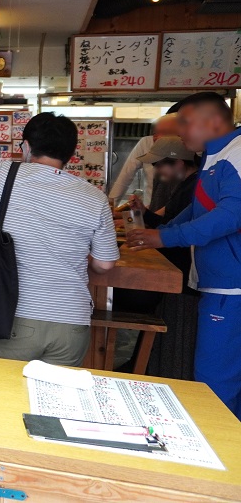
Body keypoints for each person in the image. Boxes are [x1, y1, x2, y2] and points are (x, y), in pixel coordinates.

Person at [0, 112, 119, 366]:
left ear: (26, 146)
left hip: (15, 317)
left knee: (0, 402)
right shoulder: (95, 197)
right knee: (53, 405)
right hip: (72, 324)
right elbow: (105, 265)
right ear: (71, 155)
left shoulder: (4, 173)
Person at [128, 92, 241, 416]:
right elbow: (199, 208)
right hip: (221, 284)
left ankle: (219, 462)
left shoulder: (236, 155)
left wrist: (166, 237)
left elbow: (230, 216)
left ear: (212, 121)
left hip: (231, 288)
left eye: (185, 124)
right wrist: (158, 232)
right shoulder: (217, 157)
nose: (182, 134)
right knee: (222, 379)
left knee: (214, 386)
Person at [123, 136, 200, 379]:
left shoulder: (194, 188)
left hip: (185, 277)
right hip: (176, 273)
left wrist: (150, 232)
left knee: (175, 331)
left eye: (159, 165)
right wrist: (143, 213)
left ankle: (150, 370)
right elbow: (169, 226)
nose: (156, 171)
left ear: (178, 163)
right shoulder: (186, 186)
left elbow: (177, 233)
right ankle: (143, 367)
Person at [109, 113, 179, 210]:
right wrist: (110, 209)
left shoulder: (185, 158)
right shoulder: (146, 143)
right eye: (155, 132)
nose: (156, 137)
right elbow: (125, 176)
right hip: (150, 210)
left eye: (164, 132)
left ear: (180, 135)